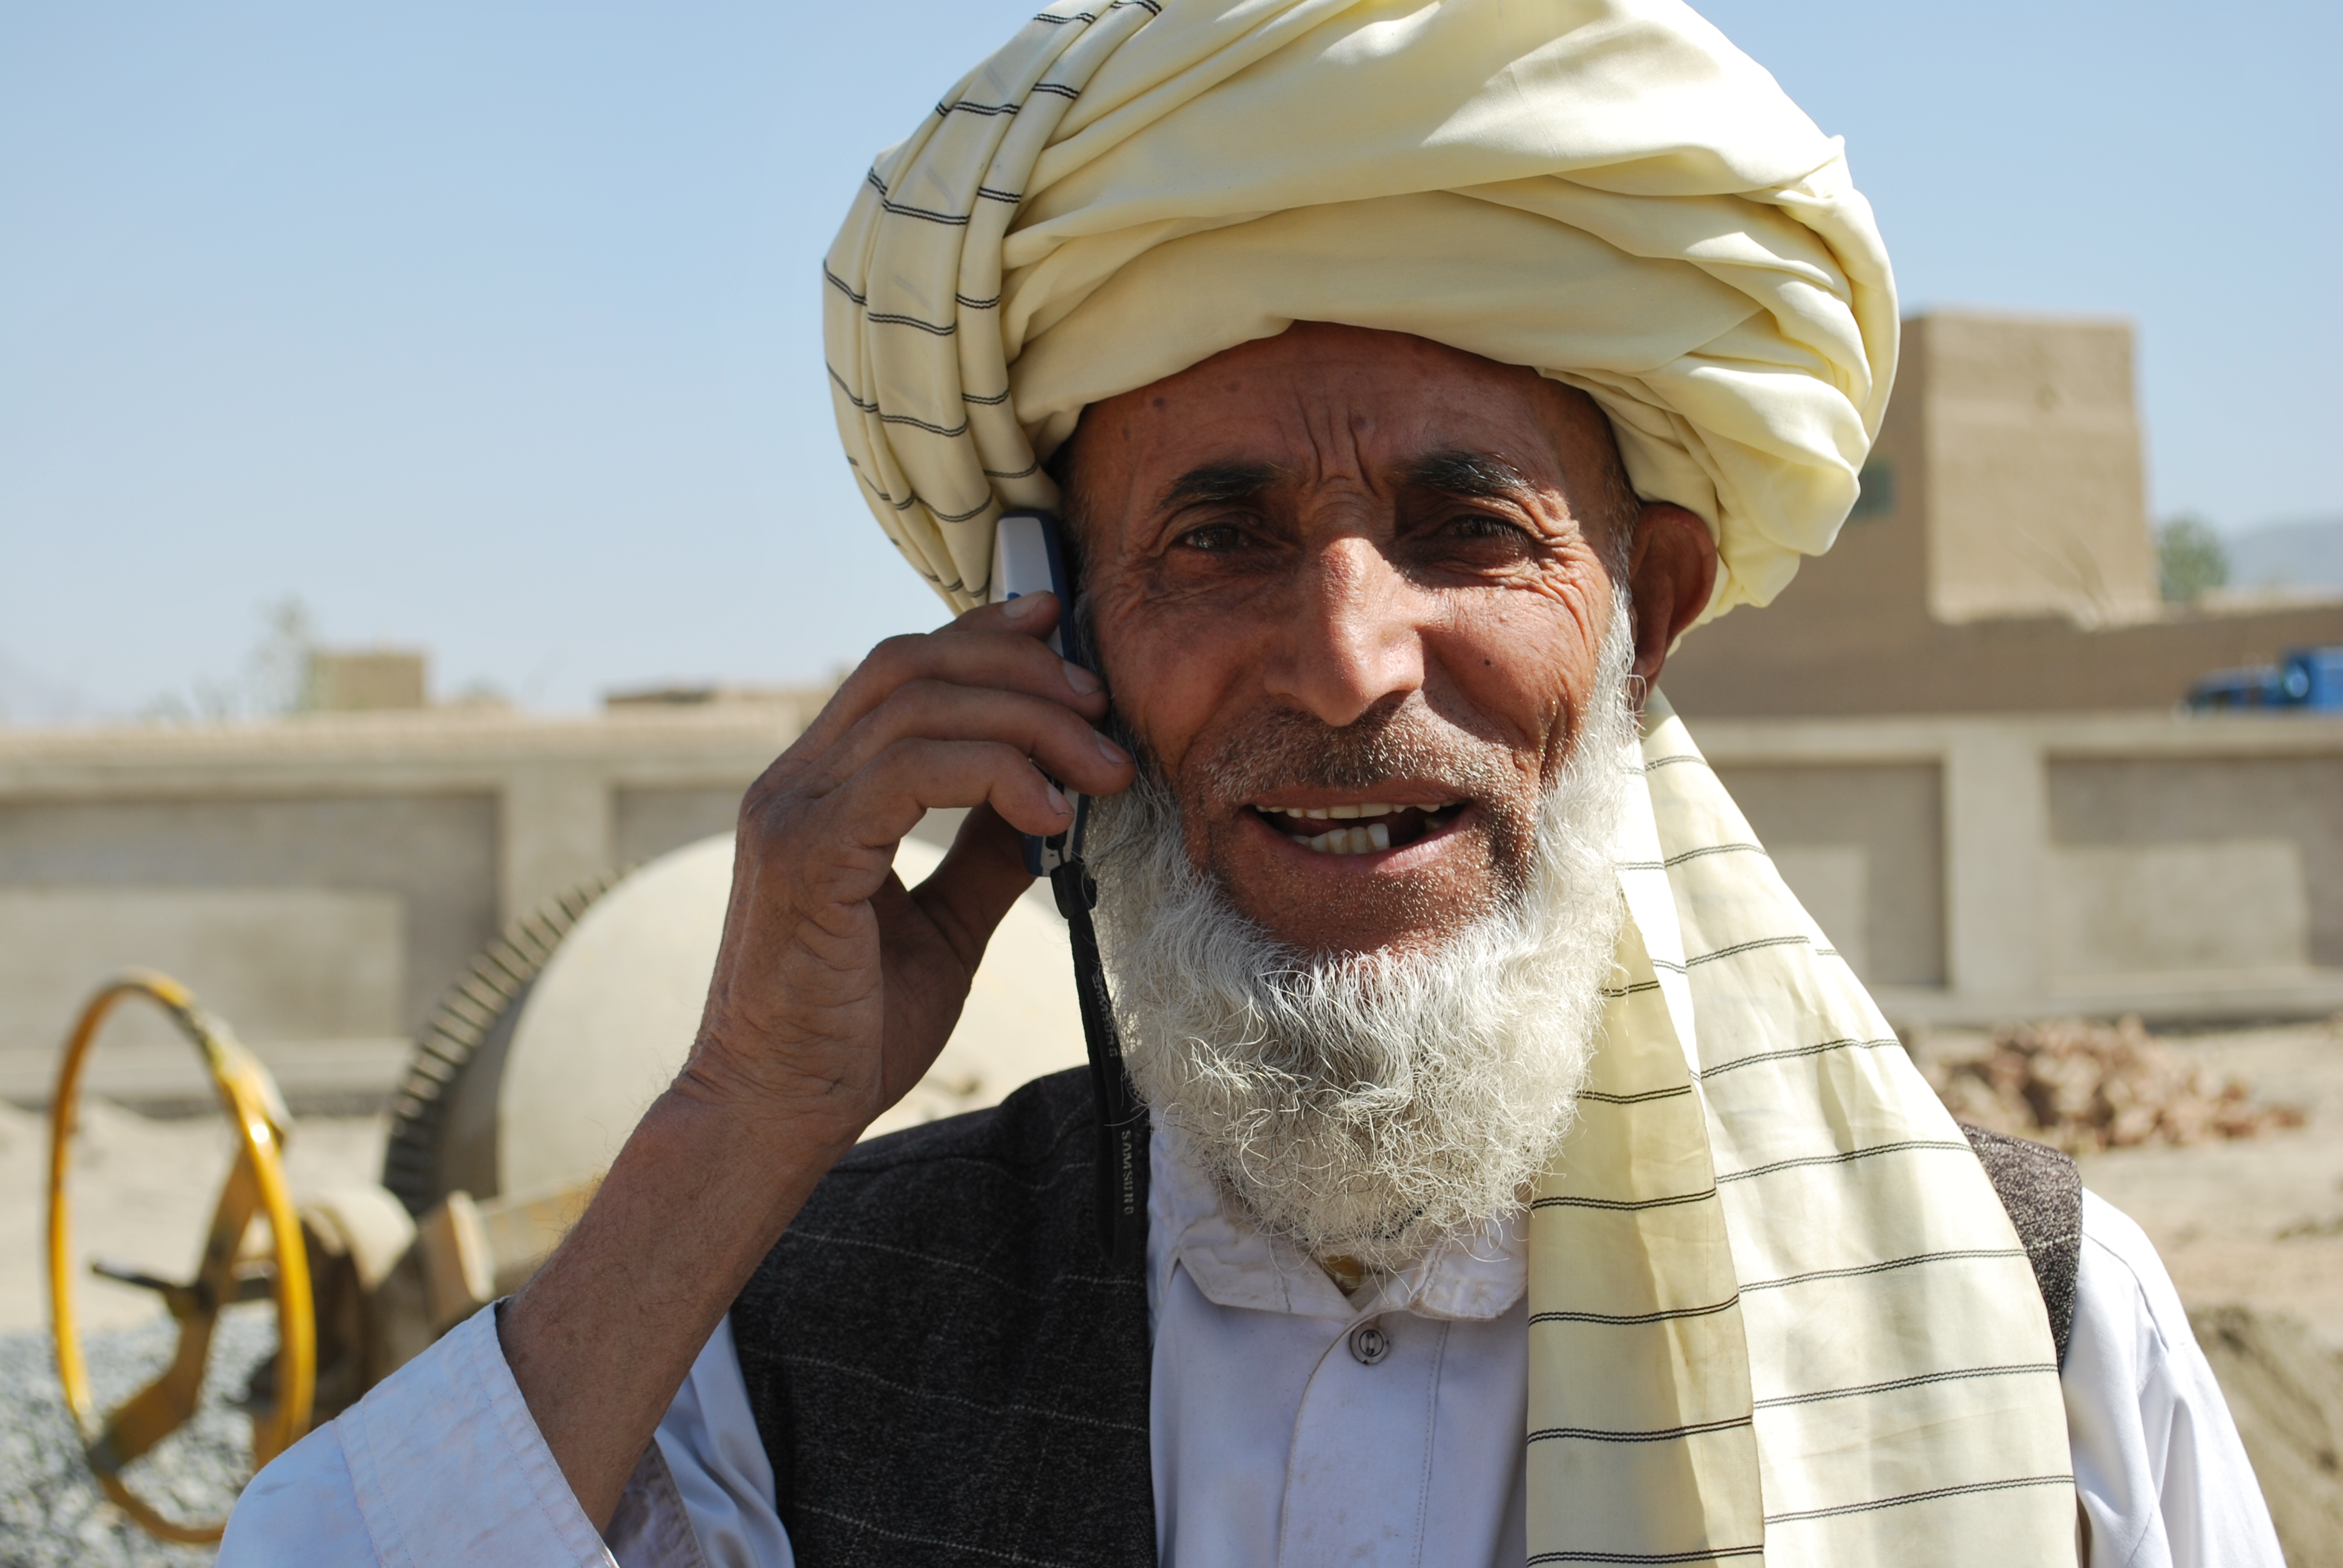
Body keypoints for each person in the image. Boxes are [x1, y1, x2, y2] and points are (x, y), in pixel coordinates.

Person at [222, 1, 2284, 1563]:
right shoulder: (800, 1346)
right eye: (1216, 540)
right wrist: (738, 1118)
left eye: (1468, 527)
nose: (1347, 652)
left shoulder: (2035, 1333)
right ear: (1062, 636)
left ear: (1650, 607)